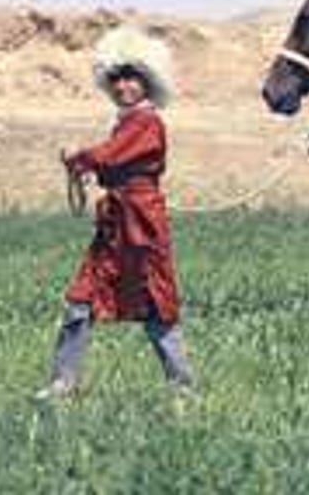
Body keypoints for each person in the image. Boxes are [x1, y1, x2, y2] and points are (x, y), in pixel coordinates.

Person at [36, 25, 195, 399]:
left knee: (157, 305)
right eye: (117, 79)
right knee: (80, 300)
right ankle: (62, 384)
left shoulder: (147, 122)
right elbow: (110, 164)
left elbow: (109, 157)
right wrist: (89, 166)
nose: (123, 86)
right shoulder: (128, 122)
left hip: (141, 225)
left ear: (147, 83)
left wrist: (78, 157)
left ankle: (183, 389)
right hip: (115, 226)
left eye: (132, 78)